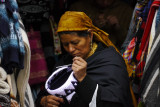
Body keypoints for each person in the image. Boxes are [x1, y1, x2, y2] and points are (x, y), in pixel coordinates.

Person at [35, 11, 133, 107]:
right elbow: (46, 91)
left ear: (90, 35)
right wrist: (44, 100)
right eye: (65, 44)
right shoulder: (64, 62)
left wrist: (83, 78)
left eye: (75, 42)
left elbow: (116, 101)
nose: (70, 49)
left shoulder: (110, 60)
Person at [69, 0, 133, 50]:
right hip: (84, 53)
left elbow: (130, 43)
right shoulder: (78, 8)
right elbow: (70, 37)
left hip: (114, 54)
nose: (105, 2)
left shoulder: (126, 11)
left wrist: (117, 28)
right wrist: (92, 25)